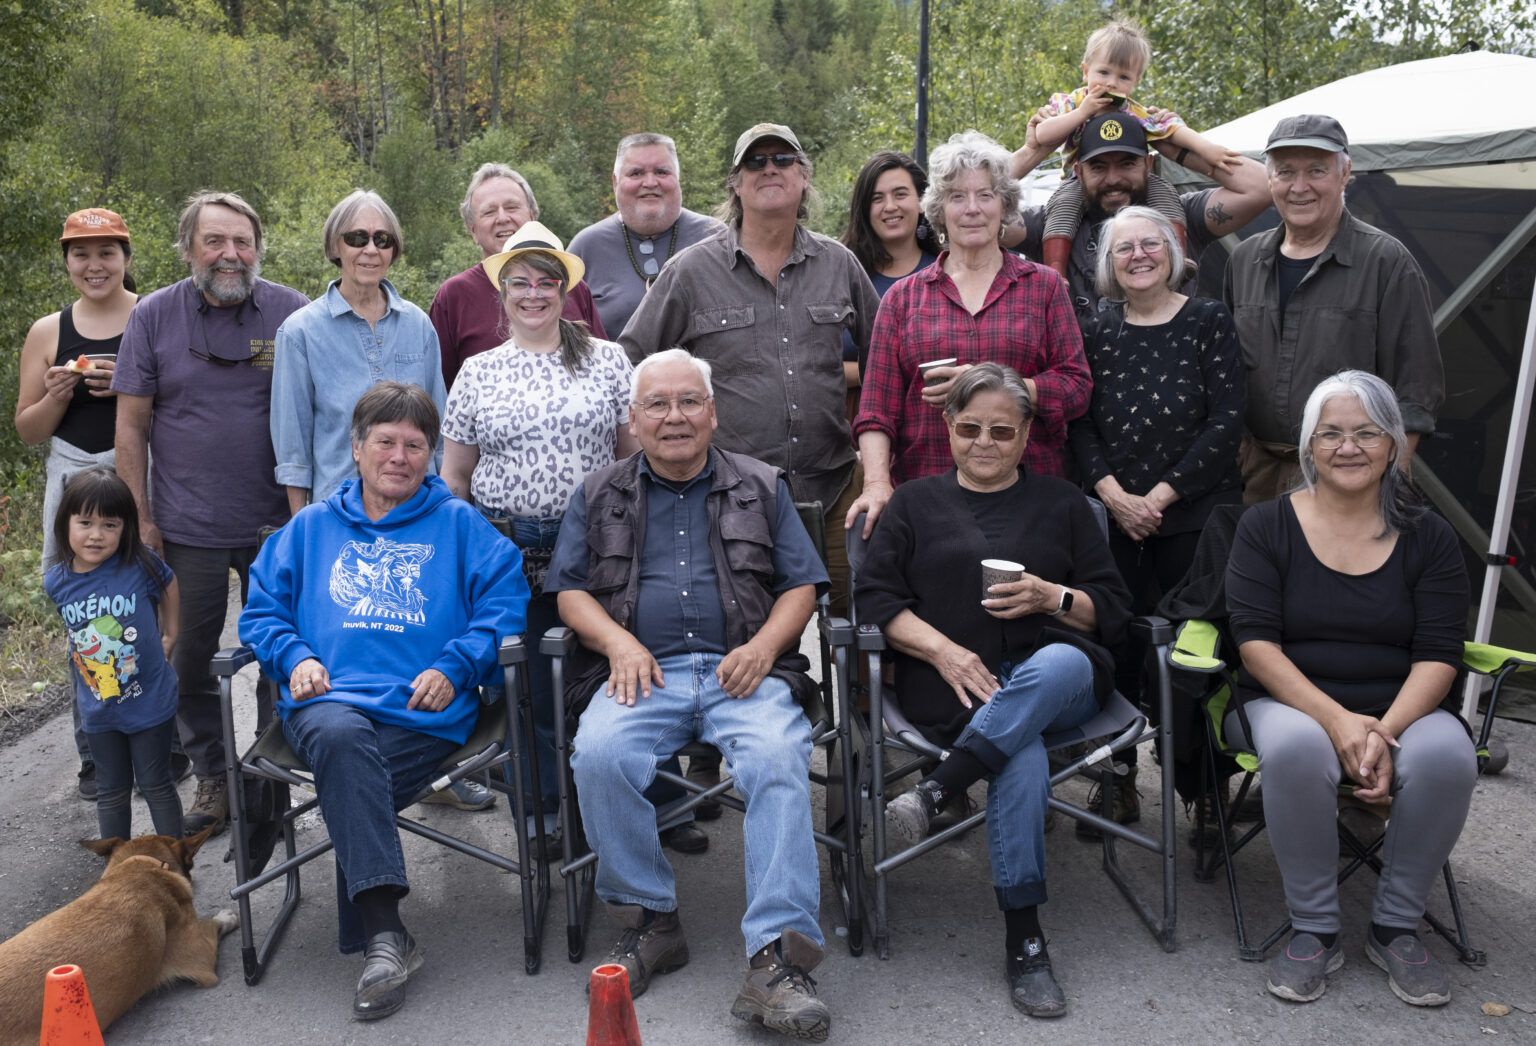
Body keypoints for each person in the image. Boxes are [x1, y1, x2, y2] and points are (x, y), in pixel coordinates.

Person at [546, 349, 832, 1041]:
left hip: (746, 670)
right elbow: (569, 591)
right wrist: (618, 642)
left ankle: (777, 960)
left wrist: (765, 647)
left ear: (712, 411)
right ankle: (652, 921)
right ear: (635, 418)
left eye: (687, 402)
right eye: (657, 404)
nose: (673, 417)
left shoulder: (761, 484)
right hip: (642, 672)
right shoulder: (598, 491)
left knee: (775, 759)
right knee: (600, 755)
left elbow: (801, 585)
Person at [240, 382, 528, 1021]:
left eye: (416, 445)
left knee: (351, 778)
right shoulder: (311, 527)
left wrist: (456, 667)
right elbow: (261, 611)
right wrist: (295, 658)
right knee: (344, 742)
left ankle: (382, 937)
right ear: (357, 446)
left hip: (425, 713)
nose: (399, 456)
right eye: (386, 441)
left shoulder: (458, 523)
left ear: (431, 454)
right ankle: (383, 934)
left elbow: (505, 605)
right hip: (326, 704)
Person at [857, 363, 1131, 1019]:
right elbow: (875, 600)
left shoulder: (1064, 503)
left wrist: (1054, 597)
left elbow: (1116, 608)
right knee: (1022, 753)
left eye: (1002, 431)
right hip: (955, 684)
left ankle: (938, 787)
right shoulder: (915, 504)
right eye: (970, 427)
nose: (985, 442)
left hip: (1061, 682)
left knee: (1059, 662)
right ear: (947, 426)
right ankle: (1025, 937)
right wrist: (941, 648)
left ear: (1027, 431)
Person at [440, 222, 708, 851]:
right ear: (501, 292)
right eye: (520, 283)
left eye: (547, 282)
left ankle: (661, 805)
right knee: (529, 683)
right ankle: (544, 814)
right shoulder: (477, 372)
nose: (534, 293)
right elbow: (454, 476)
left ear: (565, 290)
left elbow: (631, 460)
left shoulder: (608, 359)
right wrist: (465, 551)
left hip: (598, 540)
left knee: (627, 669)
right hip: (508, 546)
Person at [1225, 370, 1472, 1007]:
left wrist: (1383, 731)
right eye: (1330, 433)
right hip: (1286, 699)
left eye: (1366, 432)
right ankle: (1315, 927)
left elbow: (1439, 654)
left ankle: (1395, 925)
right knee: (1295, 749)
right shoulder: (1264, 527)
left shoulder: (1430, 535)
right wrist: (1338, 721)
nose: (1348, 447)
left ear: (1394, 443)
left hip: (1403, 705)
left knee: (1448, 754)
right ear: (1309, 447)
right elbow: (1256, 645)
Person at [619, 121, 880, 615]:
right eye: (754, 162)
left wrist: (880, 465)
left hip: (836, 488)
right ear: (735, 184)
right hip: (731, 501)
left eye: (782, 160)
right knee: (748, 635)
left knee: (857, 633)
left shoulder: (839, 264)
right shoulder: (691, 271)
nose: (769, 169)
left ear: (804, 177)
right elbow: (629, 363)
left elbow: (887, 360)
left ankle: (853, 695)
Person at [111, 190, 309, 836]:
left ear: (258, 248)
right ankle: (216, 776)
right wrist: (138, 520)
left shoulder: (290, 314)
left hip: (276, 525)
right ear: (188, 248)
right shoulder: (152, 317)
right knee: (188, 659)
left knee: (278, 654)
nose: (230, 254)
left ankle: (272, 780)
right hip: (184, 528)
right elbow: (131, 427)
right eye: (215, 241)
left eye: (242, 242)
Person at [1067, 205, 1244, 834]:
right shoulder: (1097, 328)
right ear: (1108, 263)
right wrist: (1115, 497)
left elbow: (1227, 420)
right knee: (1110, 647)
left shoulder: (1207, 320)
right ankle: (1115, 782)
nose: (1139, 255)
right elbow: (1080, 421)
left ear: (1172, 251)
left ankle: (1207, 789)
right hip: (1113, 519)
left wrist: (1161, 497)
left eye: (1151, 244)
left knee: (1199, 654)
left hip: (1196, 518)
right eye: (1124, 248)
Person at [850, 130, 1089, 533]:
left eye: (986, 195)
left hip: (1031, 498)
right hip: (927, 497)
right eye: (958, 197)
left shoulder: (1043, 286)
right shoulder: (902, 299)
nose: (972, 209)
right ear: (939, 210)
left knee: (1025, 597)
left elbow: (1077, 388)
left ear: (1005, 205)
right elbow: (876, 412)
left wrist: (994, 384)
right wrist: (876, 484)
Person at [1223, 115, 1443, 504]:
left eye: (1317, 171)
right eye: (1286, 171)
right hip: (1253, 477)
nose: (1299, 187)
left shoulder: (1385, 261)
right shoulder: (1243, 261)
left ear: (1345, 174)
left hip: (1348, 478)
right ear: (1270, 179)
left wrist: (1390, 482)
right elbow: (1224, 371)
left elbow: (1416, 387)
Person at [14, 207, 157, 799]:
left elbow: (178, 406)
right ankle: (95, 757)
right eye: (81, 254)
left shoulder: (153, 316)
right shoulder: (49, 331)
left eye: (106, 253)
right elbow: (27, 428)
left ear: (126, 257)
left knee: (145, 606)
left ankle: (161, 745)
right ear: (67, 261)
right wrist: (57, 392)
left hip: (142, 470)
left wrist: (124, 386)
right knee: (86, 616)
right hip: (72, 475)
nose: (94, 266)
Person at [271, 189, 447, 513]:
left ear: (393, 250)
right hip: (339, 515)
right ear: (335, 246)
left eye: (382, 239)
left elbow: (440, 438)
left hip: (418, 511)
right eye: (357, 238)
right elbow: (292, 451)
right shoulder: (300, 333)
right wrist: (303, 527)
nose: (370, 250)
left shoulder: (418, 325)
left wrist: (444, 511)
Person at [1007, 110, 1270, 324]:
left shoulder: (1181, 216)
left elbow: (1263, 186)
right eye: (1098, 167)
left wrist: (1178, 150)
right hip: (1080, 385)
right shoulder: (1048, 225)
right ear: (1078, 171)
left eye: (1127, 163)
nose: (1113, 179)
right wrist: (1032, 152)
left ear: (1148, 164)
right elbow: (970, 216)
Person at [1033, 18, 1241, 280]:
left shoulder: (1132, 110)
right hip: (1078, 180)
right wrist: (1084, 111)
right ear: (1086, 71)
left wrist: (1207, 149)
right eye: (1103, 73)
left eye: (1123, 77)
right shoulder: (1070, 102)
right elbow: (1042, 134)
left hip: (1135, 179)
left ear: (1136, 80)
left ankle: (1180, 256)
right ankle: (1055, 273)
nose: (1111, 83)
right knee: (1063, 207)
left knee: (1165, 192)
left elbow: (1170, 128)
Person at [44, 468, 182, 842]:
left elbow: (168, 583)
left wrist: (170, 634)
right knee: (111, 792)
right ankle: (116, 871)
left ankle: (179, 866)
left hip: (150, 701)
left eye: (110, 525)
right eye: (85, 522)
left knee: (156, 785)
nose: (96, 534)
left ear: (125, 529)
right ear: (65, 523)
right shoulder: (56, 581)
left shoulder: (138, 565)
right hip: (99, 708)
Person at [430, 163, 607, 389]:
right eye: (489, 211)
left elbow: (601, 368)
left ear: (533, 216)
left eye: (512, 207)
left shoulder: (572, 286)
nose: (503, 218)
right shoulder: (453, 296)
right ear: (472, 230)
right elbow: (440, 388)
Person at [567, 132, 721, 337]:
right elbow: (564, 336)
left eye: (661, 172)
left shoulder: (715, 239)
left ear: (678, 178)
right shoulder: (585, 248)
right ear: (615, 182)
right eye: (636, 173)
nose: (650, 182)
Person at [837, 150, 941, 420]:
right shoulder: (841, 274)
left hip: (932, 420)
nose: (890, 206)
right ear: (864, 209)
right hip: (853, 422)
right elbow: (812, 365)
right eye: (877, 198)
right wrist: (885, 375)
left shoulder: (947, 272)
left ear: (922, 202)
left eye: (900, 194)